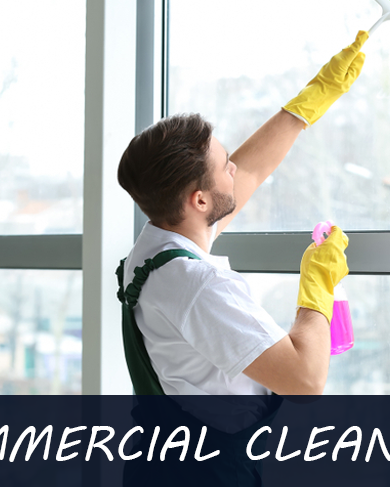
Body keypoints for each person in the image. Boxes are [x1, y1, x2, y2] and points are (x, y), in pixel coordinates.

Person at [115, 31, 369, 422]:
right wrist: (317, 284)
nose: (233, 166)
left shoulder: (154, 250)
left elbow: (249, 169)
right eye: (222, 166)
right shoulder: (197, 284)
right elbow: (304, 381)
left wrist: (310, 102)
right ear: (199, 200)